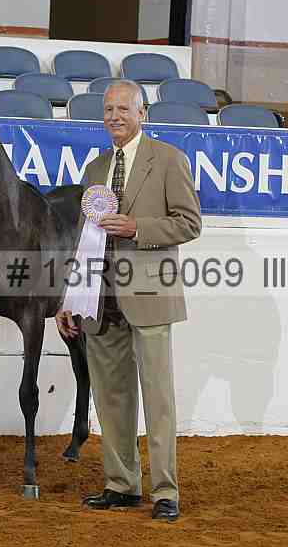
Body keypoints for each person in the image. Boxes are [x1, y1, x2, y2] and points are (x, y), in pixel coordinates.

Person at [55, 80, 201, 521]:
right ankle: (121, 484)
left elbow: (189, 223)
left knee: (158, 399)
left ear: (142, 114)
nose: (114, 116)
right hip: (99, 301)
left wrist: (138, 227)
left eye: (123, 109)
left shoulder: (169, 159)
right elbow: (83, 239)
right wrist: (69, 298)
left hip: (150, 295)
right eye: (108, 110)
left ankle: (165, 491)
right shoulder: (95, 169)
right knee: (111, 396)